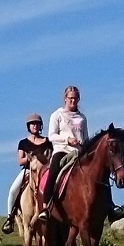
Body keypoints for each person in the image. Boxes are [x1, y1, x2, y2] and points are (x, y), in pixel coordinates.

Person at [37, 86, 88, 222]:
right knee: (53, 173)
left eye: (76, 98)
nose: (73, 101)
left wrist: (84, 146)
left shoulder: (82, 118)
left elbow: (86, 137)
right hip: (62, 150)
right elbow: (51, 136)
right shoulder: (57, 115)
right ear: (65, 99)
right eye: (71, 98)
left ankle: (109, 206)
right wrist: (67, 139)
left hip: (79, 152)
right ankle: (46, 207)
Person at [1, 113, 52, 234]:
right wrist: (31, 158)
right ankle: (10, 217)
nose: (35, 126)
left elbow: (50, 158)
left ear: (41, 126)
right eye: (32, 124)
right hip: (28, 170)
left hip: (44, 172)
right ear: (28, 127)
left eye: (37, 124)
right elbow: (20, 160)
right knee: (13, 190)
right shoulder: (23, 143)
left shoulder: (47, 142)